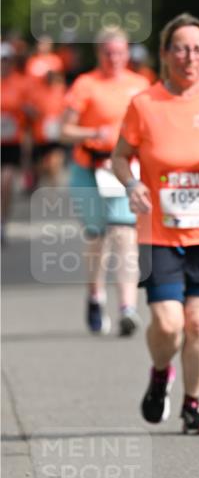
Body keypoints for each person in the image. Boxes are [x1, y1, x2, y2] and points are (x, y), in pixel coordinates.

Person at [112, 13, 199, 435]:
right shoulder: (144, 104)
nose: (189, 56)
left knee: (197, 322)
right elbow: (120, 156)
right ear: (165, 54)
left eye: (197, 48)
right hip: (159, 230)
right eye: (180, 47)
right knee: (169, 323)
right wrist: (132, 183)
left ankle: (193, 405)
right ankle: (160, 373)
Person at [60, 27, 148, 335]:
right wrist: (93, 133)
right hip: (90, 169)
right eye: (108, 52)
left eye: (120, 52)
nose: (114, 58)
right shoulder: (86, 84)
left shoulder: (140, 85)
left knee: (125, 235)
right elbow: (64, 130)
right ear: (99, 54)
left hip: (124, 170)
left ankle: (128, 307)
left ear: (127, 54)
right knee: (98, 238)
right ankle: (95, 296)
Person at [1, 42, 28, 243]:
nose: (4, 64)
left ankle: (3, 221)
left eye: (7, 60)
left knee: (7, 182)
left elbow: (32, 110)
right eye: (2, 60)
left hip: (11, 142)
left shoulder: (21, 83)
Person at [25, 69, 68, 188]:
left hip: (56, 133)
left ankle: (54, 185)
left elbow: (68, 109)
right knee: (40, 164)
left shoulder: (61, 91)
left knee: (55, 161)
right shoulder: (37, 92)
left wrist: (62, 119)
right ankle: (38, 181)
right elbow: (29, 109)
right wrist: (33, 113)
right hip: (40, 135)